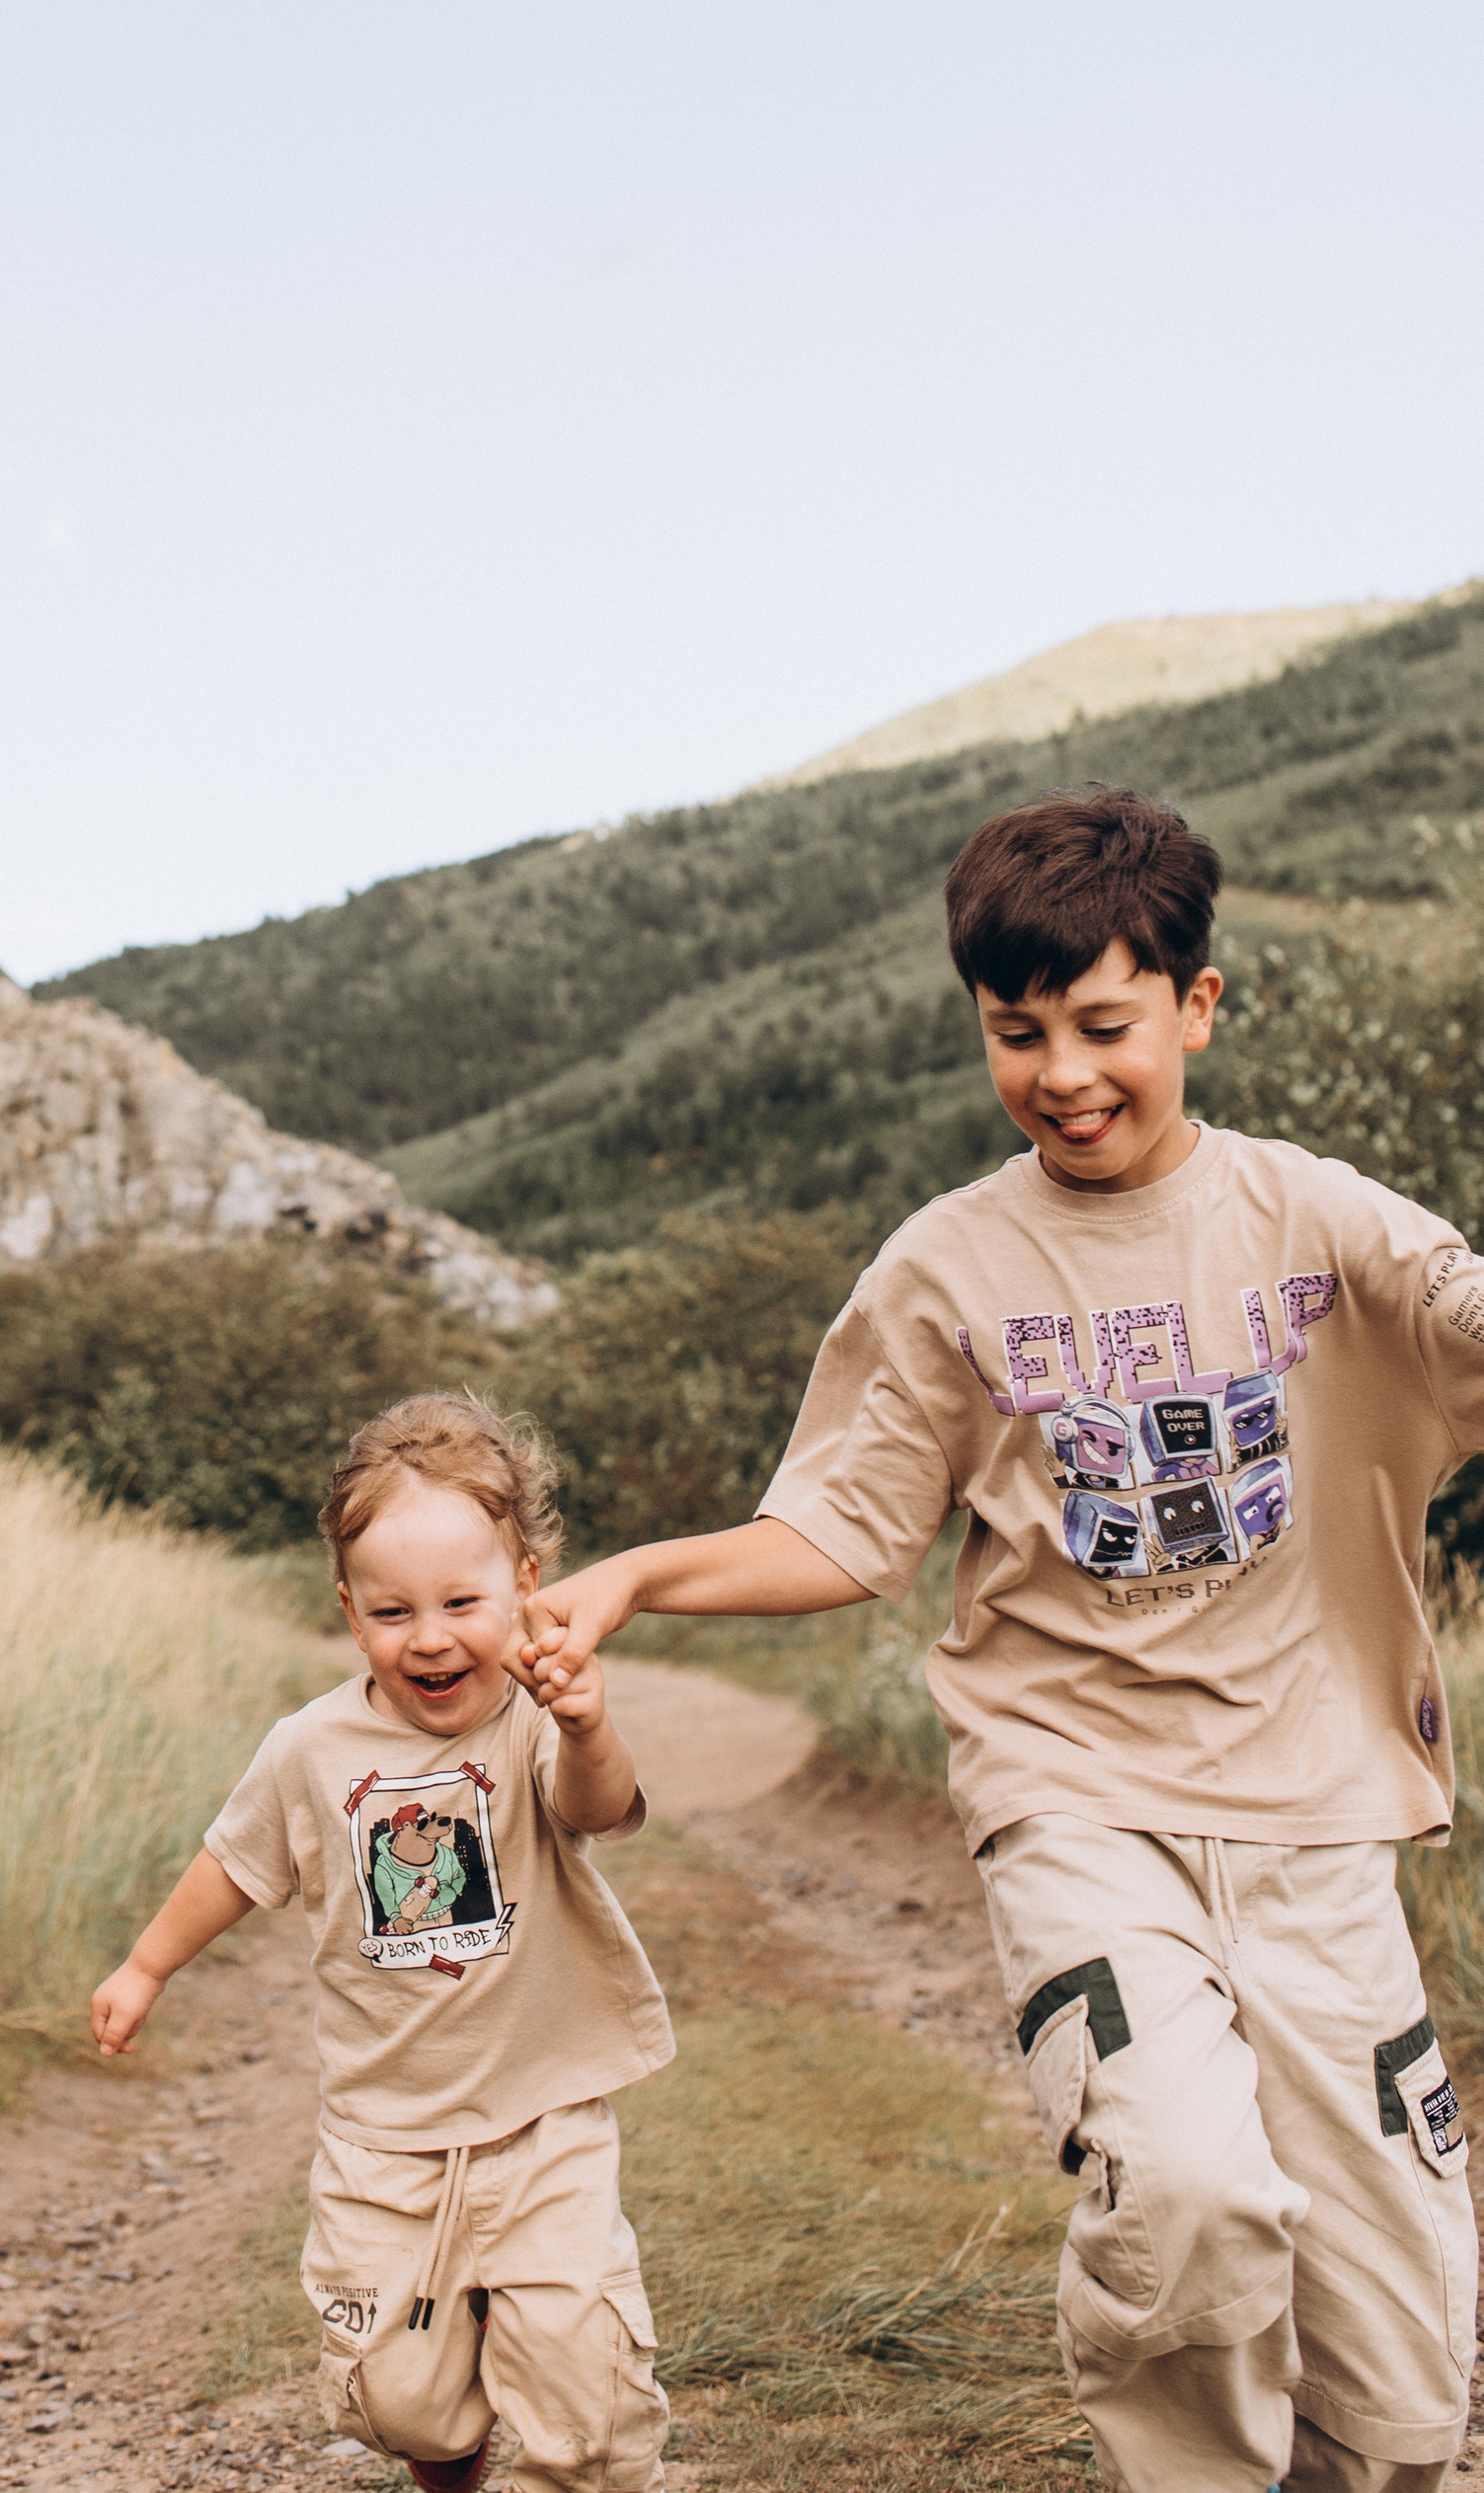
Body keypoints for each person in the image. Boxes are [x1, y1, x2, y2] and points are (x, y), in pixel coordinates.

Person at [519, 783, 1484, 2493]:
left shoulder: (1314, 1220)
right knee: (1184, 2192)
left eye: (1105, 1024)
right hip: (1078, 1801)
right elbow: (844, 1524)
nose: (1063, 1073)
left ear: (1196, 1004)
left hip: (1318, 1810)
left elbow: (1462, 1309)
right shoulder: (952, 1268)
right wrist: (637, 1579)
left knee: (1407, 2352)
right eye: (1015, 1033)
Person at [91, 1390, 672, 2493]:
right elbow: (234, 1862)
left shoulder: (535, 1714)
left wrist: (591, 1722)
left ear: (525, 1589)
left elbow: (595, 1807)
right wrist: (146, 1964)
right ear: (352, 1614)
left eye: (463, 1600)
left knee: (579, 2390)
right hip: (384, 2133)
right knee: (403, 2397)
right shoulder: (309, 1747)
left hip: (540, 2117)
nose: (433, 1635)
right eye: (395, 1610)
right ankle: (449, 2463)